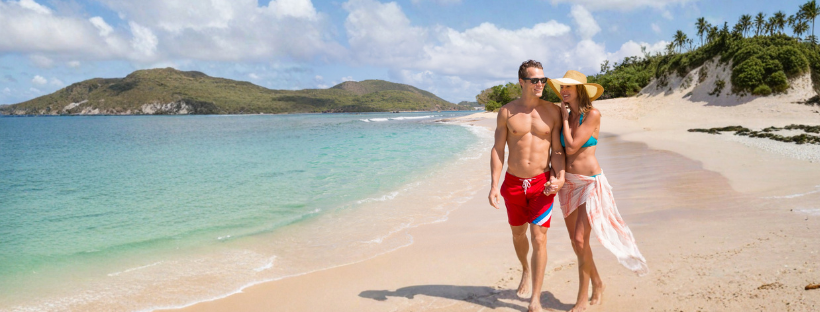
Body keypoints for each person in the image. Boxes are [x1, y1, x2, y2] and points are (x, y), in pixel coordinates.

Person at [547, 70, 648, 312]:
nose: (564, 91)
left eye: (569, 87)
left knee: (582, 239)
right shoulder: (567, 116)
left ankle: (582, 299)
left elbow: (571, 146)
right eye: (562, 87)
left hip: (589, 182)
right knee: (576, 242)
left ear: (581, 89)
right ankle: (598, 283)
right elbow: (558, 151)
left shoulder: (592, 114)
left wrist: (562, 115)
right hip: (568, 182)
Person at [488, 60, 566, 312]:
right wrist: (493, 185)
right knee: (518, 234)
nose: (541, 84)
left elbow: (556, 150)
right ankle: (525, 268)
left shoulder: (552, 111)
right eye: (535, 80)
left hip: (541, 184)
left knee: (539, 238)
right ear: (522, 82)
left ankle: (535, 299)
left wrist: (559, 176)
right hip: (512, 184)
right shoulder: (507, 112)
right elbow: (498, 150)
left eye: (543, 80)